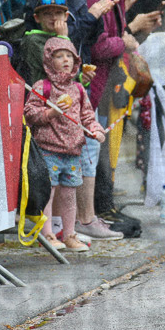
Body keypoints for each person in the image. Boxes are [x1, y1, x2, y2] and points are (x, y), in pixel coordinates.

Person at [79, 0, 162, 236]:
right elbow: (95, 45)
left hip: (103, 87)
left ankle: (92, 216)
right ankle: (87, 219)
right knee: (88, 156)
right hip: (90, 85)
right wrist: (124, 41)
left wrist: (130, 30)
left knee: (93, 155)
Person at [24, 36, 106, 251]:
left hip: (73, 152)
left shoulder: (78, 89)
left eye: (69, 56)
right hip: (48, 151)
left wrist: (95, 130)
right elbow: (29, 113)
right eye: (59, 56)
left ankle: (69, 234)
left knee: (70, 194)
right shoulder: (42, 87)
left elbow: (87, 116)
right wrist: (50, 112)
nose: (65, 60)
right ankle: (48, 234)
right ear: (49, 61)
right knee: (48, 194)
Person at [16, 0, 71, 86]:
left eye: (58, 13)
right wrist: (63, 39)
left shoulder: (62, 36)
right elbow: (57, 69)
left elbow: (71, 73)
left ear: (66, 16)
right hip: (42, 97)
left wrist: (82, 78)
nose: (54, 18)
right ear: (37, 18)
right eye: (47, 14)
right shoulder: (33, 40)